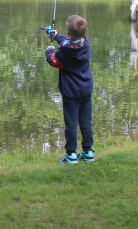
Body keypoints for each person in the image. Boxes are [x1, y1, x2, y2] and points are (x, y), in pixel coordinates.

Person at [45, 15, 94, 165]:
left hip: (71, 93)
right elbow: (69, 43)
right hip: (86, 89)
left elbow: (54, 61)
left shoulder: (64, 52)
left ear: (69, 33)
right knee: (86, 121)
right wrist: (56, 36)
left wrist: (49, 51)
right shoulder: (85, 43)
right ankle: (88, 152)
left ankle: (71, 154)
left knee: (71, 123)